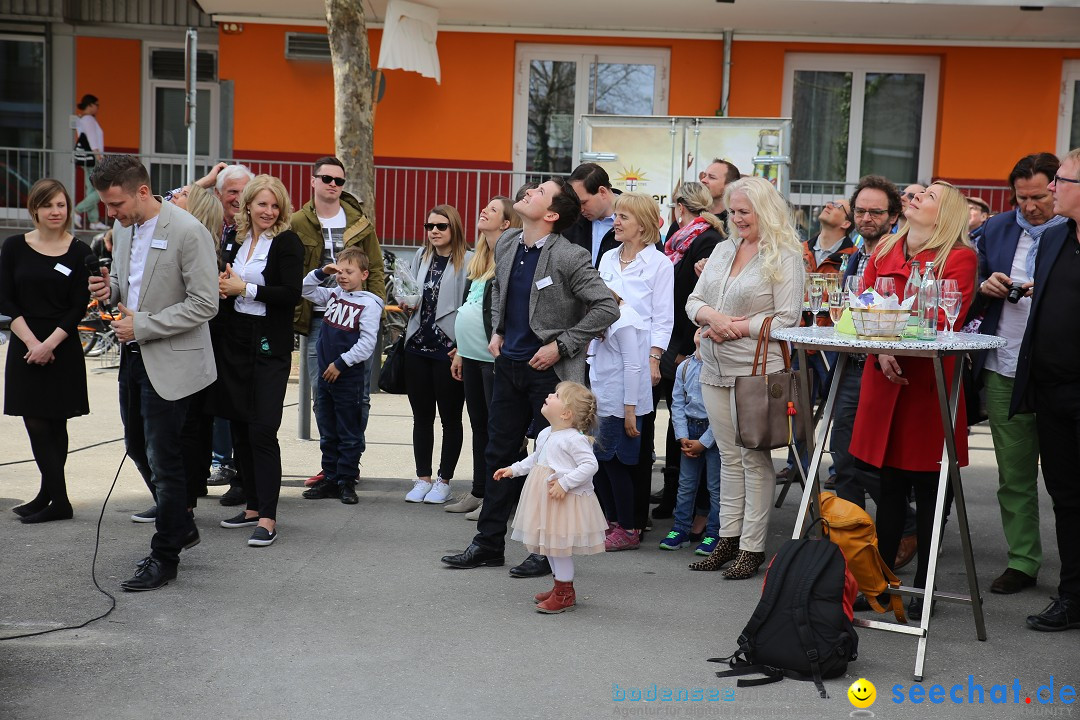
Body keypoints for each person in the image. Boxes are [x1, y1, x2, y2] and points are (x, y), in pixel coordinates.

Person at [440, 177, 619, 576]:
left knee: (550, 464)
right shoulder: (506, 242)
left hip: (550, 377)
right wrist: (499, 331)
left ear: (552, 214)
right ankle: (487, 544)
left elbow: (607, 307)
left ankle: (545, 551)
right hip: (509, 367)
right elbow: (500, 289)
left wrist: (562, 345)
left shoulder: (570, 256)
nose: (529, 192)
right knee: (497, 453)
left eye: (540, 192)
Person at [87, 155, 218, 591]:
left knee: (166, 459)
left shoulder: (188, 231)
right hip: (133, 354)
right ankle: (179, 522)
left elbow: (205, 304)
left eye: (116, 203)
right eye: (107, 205)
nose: (112, 213)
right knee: (137, 446)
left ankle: (165, 556)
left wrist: (142, 324)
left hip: (171, 358)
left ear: (143, 191)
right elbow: (133, 290)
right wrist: (112, 290)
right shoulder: (125, 230)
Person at [849, 181, 978, 619]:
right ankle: (881, 583)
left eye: (929, 197)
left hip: (928, 388)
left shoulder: (959, 257)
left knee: (930, 489)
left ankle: (924, 587)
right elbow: (861, 304)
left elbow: (945, 316)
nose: (917, 197)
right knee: (887, 488)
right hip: (887, 381)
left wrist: (887, 336)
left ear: (946, 215)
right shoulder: (887, 247)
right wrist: (881, 345)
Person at [685, 176, 805, 579]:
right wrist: (710, 319)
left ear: (765, 211)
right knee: (727, 458)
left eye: (743, 212)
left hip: (756, 369)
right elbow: (694, 300)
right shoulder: (723, 248)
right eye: (732, 212)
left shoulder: (785, 254)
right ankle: (727, 539)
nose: (735, 219)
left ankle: (752, 547)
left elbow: (788, 318)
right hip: (714, 366)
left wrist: (736, 326)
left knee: (754, 459)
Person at [974, 153, 1066, 596]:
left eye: (1038, 197)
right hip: (1005, 366)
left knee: (1068, 478)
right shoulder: (996, 228)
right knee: (1014, 475)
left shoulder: (1071, 231)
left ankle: (1073, 571)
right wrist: (986, 287)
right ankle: (1023, 560)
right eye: (1021, 198)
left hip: (1057, 372)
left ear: (1057, 188)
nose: (1029, 207)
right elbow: (969, 290)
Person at [211, 174, 303, 547]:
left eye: (274, 204)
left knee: (263, 429)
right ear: (247, 204)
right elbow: (228, 285)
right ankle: (251, 505)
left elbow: (291, 293)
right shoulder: (236, 239)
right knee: (239, 426)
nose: (268, 211)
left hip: (268, 344)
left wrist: (243, 287)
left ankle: (267, 517)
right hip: (234, 341)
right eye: (262, 203)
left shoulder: (287, 242)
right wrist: (225, 285)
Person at [1010, 147, 1080, 632]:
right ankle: (1073, 597)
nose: (1053, 187)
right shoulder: (1056, 239)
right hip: (1054, 393)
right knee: (1067, 497)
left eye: (1063, 180)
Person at [834, 176, 919, 574]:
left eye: (876, 212)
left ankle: (903, 523)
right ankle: (849, 545)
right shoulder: (854, 256)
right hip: (850, 363)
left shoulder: (900, 254)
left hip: (884, 367)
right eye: (861, 211)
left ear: (894, 216)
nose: (867, 218)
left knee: (869, 461)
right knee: (842, 458)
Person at [291, 156, 385, 495]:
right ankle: (331, 472)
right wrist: (325, 273)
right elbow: (301, 283)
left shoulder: (359, 221)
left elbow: (374, 268)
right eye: (326, 178)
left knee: (355, 400)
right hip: (321, 319)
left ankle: (348, 471)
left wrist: (371, 303)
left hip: (356, 321)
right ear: (313, 180)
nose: (333, 184)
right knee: (323, 400)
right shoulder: (298, 221)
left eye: (339, 180)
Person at [2, 179, 92, 523]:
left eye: (61, 205)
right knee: (36, 421)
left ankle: (56, 499)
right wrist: (32, 343)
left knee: (56, 422)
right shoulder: (13, 247)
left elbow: (78, 306)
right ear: (34, 209)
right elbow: (5, 299)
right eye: (48, 205)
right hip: (26, 343)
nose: (56, 212)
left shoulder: (80, 251)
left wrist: (50, 344)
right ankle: (53, 495)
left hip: (62, 345)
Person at [596, 192, 674, 533]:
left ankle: (630, 523)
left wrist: (655, 358)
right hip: (602, 358)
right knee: (600, 446)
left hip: (637, 362)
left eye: (623, 217)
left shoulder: (660, 264)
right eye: (616, 215)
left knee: (629, 446)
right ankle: (610, 519)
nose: (616, 221)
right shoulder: (608, 258)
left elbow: (663, 318)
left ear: (642, 225)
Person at [653, 181, 727, 521]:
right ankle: (674, 495)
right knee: (676, 416)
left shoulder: (707, 239)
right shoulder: (678, 237)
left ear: (680, 205)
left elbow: (699, 298)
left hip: (685, 343)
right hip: (671, 338)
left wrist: (685, 347)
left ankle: (686, 502)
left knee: (684, 417)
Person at [499, 382, 606, 614]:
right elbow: (536, 459)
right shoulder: (546, 433)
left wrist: (565, 483)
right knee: (548, 545)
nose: (549, 395)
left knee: (559, 548)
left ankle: (564, 593)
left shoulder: (574, 439)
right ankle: (560, 586)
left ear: (566, 414)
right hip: (545, 497)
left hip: (562, 501)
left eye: (556, 395)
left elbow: (590, 465)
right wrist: (513, 469)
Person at [447, 196, 521, 515]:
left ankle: (499, 497)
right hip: (472, 355)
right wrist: (460, 352)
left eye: (492, 210)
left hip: (494, 359)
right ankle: (479, 490)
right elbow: (470, 305)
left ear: (506, 223)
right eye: (485, 207)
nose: (483, 211)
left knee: (498, 431)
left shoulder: (509, 256)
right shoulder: (480, 258)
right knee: (479, 425)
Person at [301, 246, 382, 505]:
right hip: (325, 377)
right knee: (327, 428)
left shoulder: (369, 304)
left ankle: (346, 479)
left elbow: (367, 344)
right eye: (339, 270)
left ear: (364, 274)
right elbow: (305, 290)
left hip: (347, 378)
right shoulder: (334, 295)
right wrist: (321, 272)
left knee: (349, 431)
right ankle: (331, 477)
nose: (342, 275)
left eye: (349, 271)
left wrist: (340, 363)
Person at [402, 205, 471, 504]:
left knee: (451, 419)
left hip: (450, 349)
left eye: (441, 226)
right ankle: (422, 478)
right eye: (429, 225)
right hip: (417, 346)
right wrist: (406, 301)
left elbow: (472, 305)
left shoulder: (469, 260)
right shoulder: (421, 256)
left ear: (454, 228)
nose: (434, 231)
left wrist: (464, 347)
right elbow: (410, 290)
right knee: (421, 418)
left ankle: (444, 480)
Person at [589, 290, 652, 551]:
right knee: (602, 465)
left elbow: (633, 366)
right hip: (603, 400)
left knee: (617, 466)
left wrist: (630, 412)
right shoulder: (609, 317)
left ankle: (627, 528)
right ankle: (613, 521)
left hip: (619, 403)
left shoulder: (625, 320)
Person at [659, 328, 721, 556]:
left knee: (715, 487)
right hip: (690, 429)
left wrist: (704, 442)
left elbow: (723, 411)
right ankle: (681, 529)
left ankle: (715, 532)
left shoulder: (719, 368)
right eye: (700, 328)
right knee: (686, 485)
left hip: (713, 431)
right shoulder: (684, 367)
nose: (703, 333)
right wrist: (682, 436)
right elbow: (677, 403)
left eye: (709, 330)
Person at [564, 162, 620, 268]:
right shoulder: (571, 221)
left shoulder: (637, 217)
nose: (580, 209)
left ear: (602, 192)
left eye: (583, 202)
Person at [73, 94, 107, 231]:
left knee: (92, 189)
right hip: (93, 158)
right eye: (97, 105)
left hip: (88, 158)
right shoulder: (88, 119)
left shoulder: (82, 118)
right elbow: (92, 139)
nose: (98, 108)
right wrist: (99, 156)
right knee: (101, 189)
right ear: (90, 105)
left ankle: (94, 220)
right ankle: (77, 211)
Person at [802, 199, 854, 275]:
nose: (828, 206)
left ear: (846, 224)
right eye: (831, 203)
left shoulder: (853, 258)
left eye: (837, 206)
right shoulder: (800, 250)